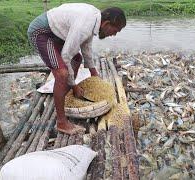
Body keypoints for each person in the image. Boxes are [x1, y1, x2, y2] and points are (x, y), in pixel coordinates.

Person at [27, 3, 126, 135]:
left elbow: (86, 47)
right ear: (107, 24)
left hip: (57, 33)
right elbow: (66, 56)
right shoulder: (85, 25)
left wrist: (93, 72)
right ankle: (61, 123)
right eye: (115, 31)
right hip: (42, 32)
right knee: (62, 73)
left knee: (77, 59)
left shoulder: (95, 20)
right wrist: (74, 85)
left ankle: (63, 93)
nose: (113, 35)